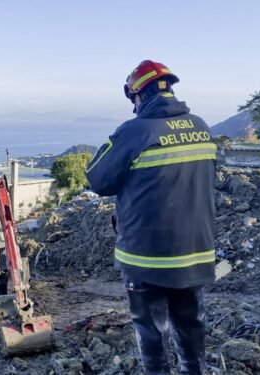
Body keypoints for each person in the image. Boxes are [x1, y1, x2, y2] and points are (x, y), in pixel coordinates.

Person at [85, 60, 216, 374]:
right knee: (190, 324)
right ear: (169, 88)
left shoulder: (135, 131)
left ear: (137, 96)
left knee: (152, 332)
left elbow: (97, 179)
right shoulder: (201, 127)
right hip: (195, 251)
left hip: (146, 258)